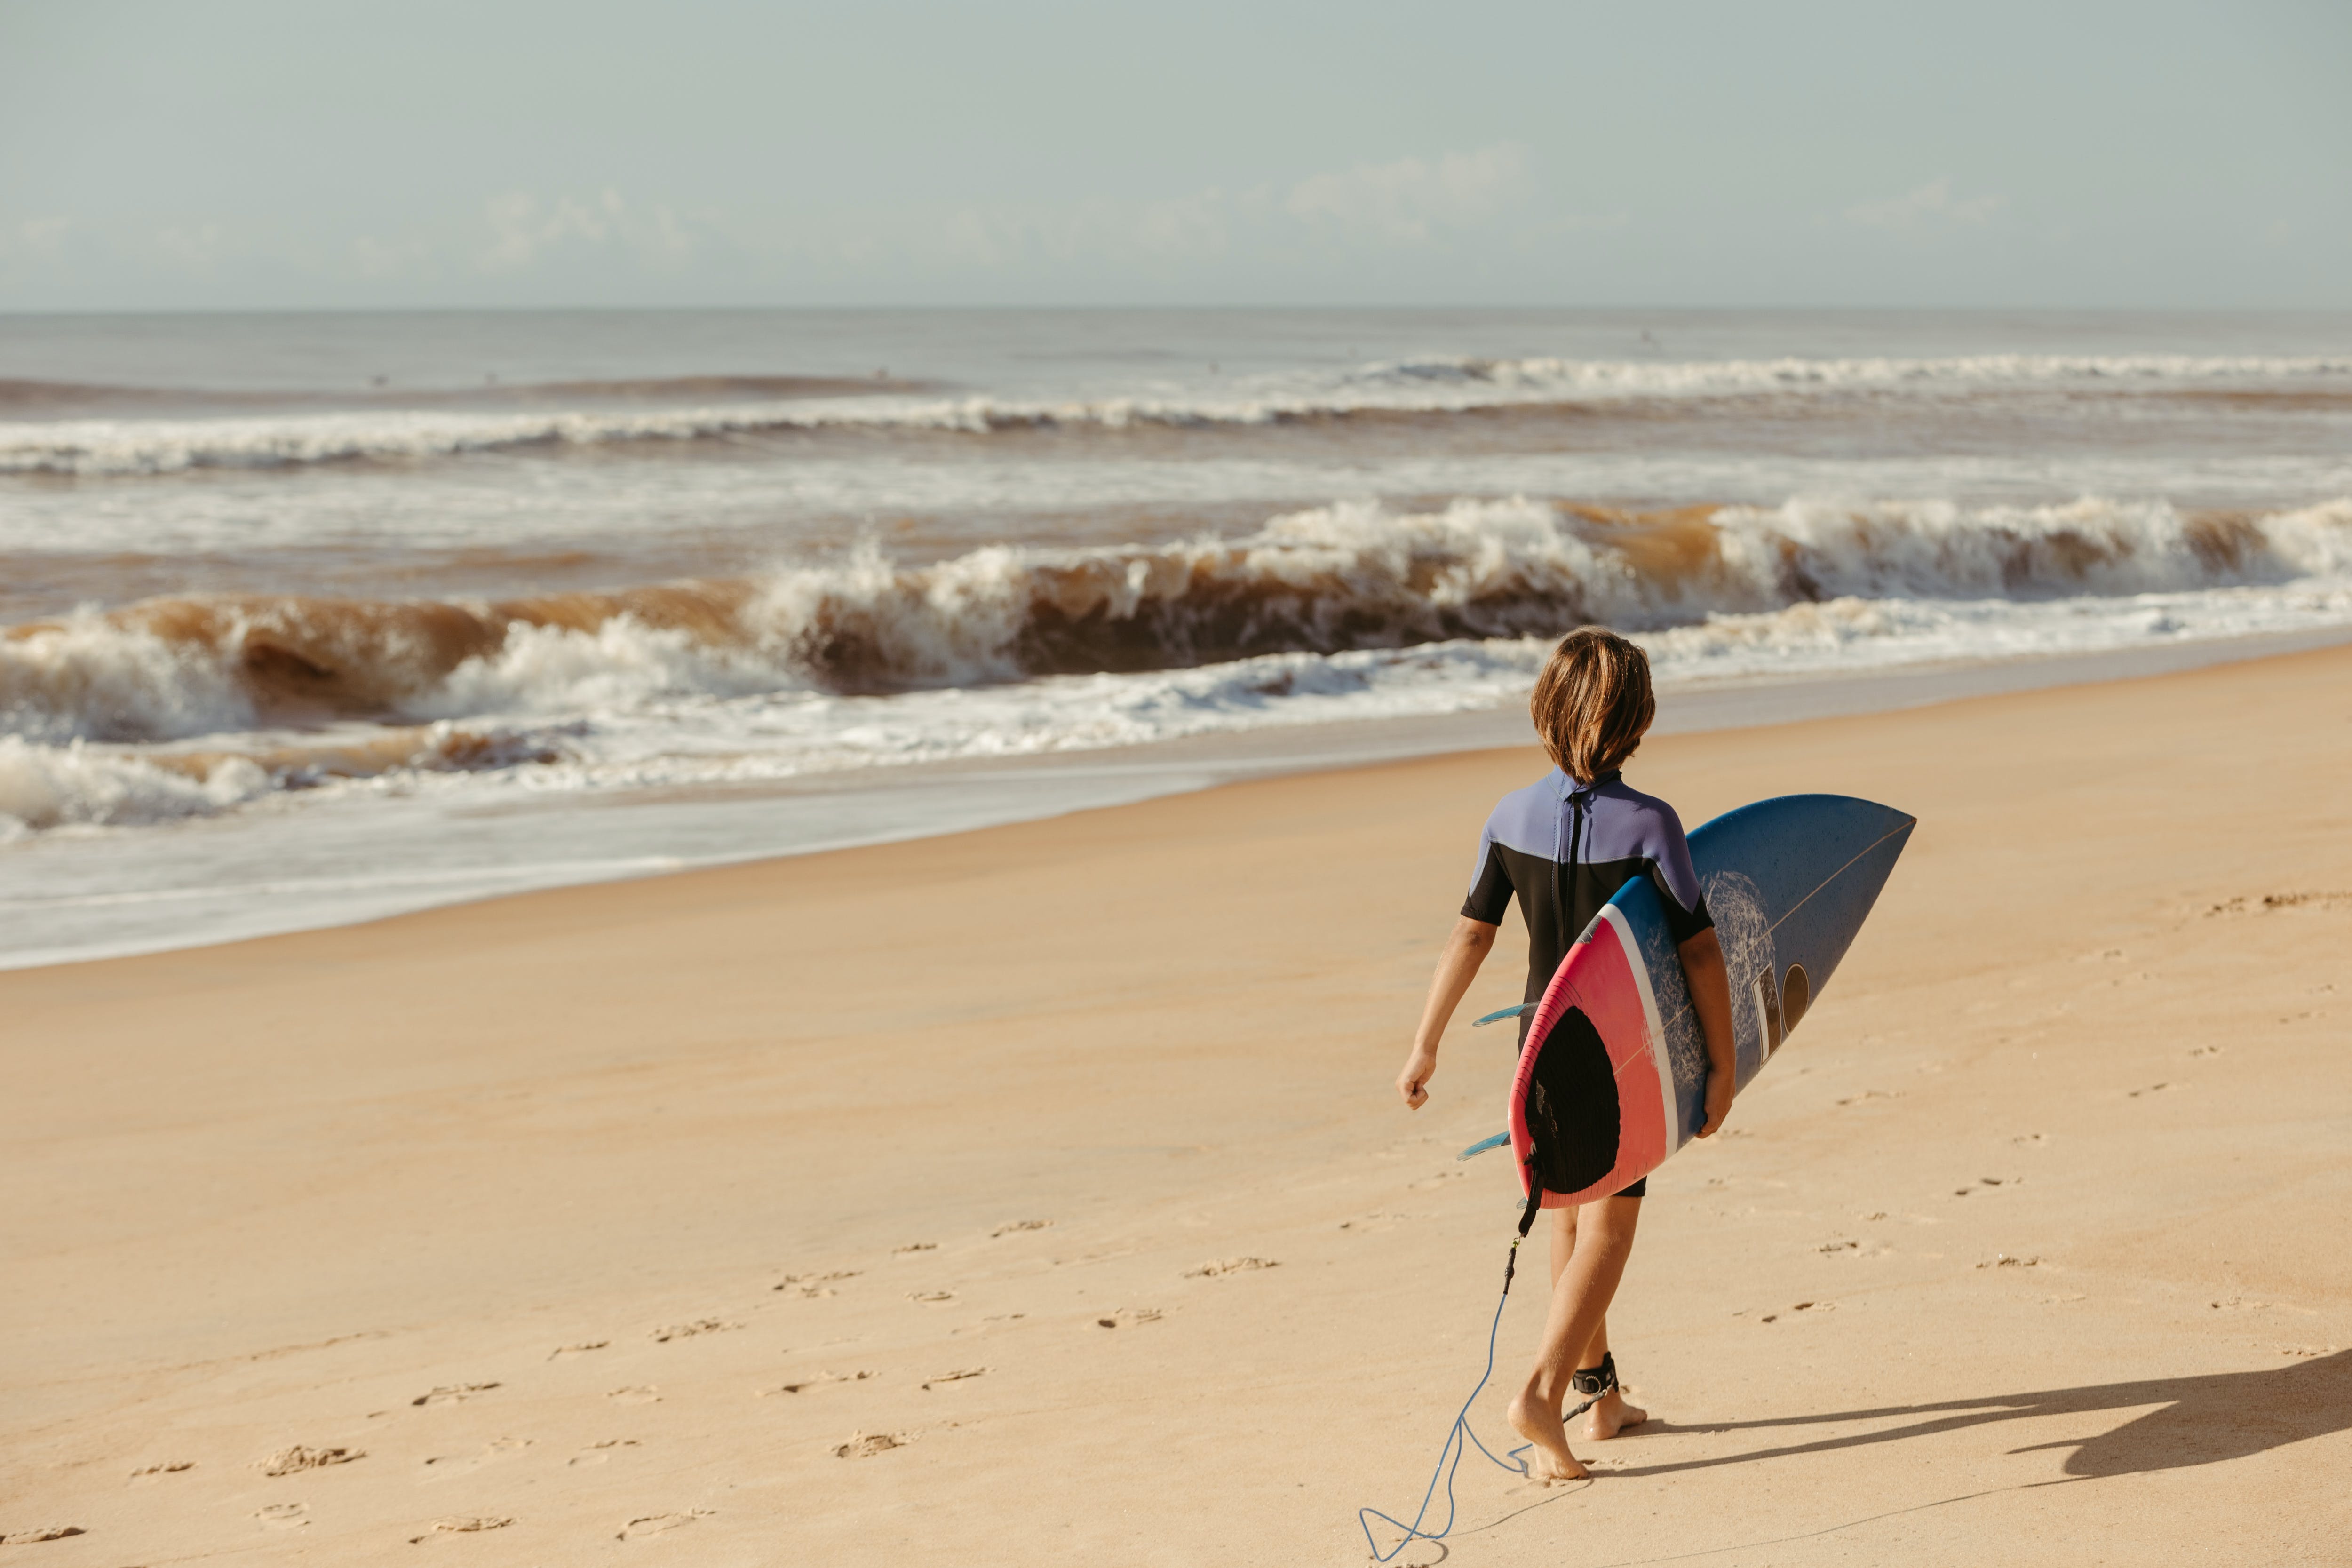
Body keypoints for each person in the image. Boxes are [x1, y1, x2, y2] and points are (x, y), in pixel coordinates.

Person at [1393, 626, 1737, 1482]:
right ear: (1638, 720)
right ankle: (1541, 1393)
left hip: (1537, 1050)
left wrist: (1425, 1043)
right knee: (1610, 1229)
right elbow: (1700, 952)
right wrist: (1724, 1064)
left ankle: (1599, 1397)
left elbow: (1471, 935)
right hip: (1618, 1056)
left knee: (1567, 1216)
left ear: (1544, 710)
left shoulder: (1508, 815)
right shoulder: (1652, 824)